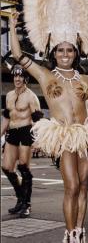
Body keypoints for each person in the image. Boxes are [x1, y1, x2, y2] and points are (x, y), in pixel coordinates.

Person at [10, 19, 88, 243]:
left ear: (76, 53)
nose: (65, 53)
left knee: (82, 185)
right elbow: (18, 54)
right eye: (61, 50)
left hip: (84, 135)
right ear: (54, 53)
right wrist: (12, 26)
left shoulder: (85, 79)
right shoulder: (45, 75)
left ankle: (79, 231)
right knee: (71, 186)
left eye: (70, 50)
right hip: (63, 135)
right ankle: (69, 233)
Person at [1, 64, 43, 218]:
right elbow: (7, 117)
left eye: (20, 76)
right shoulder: (9, 95)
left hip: (26, 132)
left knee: (24, 167)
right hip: (12, 132)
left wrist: (38, 140)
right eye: (15, 76)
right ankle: (20, 198)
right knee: (6, 168)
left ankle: (27, 204)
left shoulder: (31, 97)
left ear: (25, 78)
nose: (17, 79)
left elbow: (38, 120)